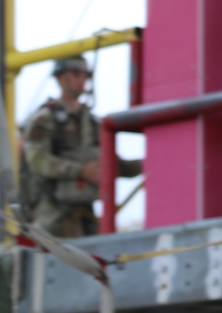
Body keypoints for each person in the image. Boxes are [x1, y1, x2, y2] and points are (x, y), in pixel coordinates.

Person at [20, 56, 143, 240]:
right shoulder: (45, 119)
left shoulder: (93, 123)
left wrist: (151, 163)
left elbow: (115, 164)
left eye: (85, 75)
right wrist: (81, 172)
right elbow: (38, 161)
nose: (82, 80)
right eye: (76, 74)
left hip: (86, 215)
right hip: (52, 216)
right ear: (61, 78)